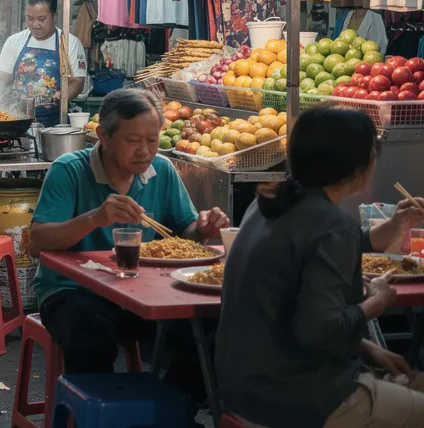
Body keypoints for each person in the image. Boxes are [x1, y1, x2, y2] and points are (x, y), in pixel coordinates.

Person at [217, 107, 424, 428]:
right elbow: (317, 330)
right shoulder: (331, 224)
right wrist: (376, 302)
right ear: (359, 168)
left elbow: (292, 314)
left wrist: (368, 347)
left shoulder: (268, 202)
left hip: (241, 391)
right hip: (301, 400)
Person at [28, 88, 228, 401]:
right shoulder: (68, 170)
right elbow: (37, 243)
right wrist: (95, 218)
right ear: (103, 136)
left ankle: (169, 414)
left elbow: (181, 237)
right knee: (90, 336)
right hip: (73, 292)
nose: (145, 151)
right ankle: (95, 419)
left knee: (216, 331)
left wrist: (202, 228)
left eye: (152, 139)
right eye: (133, 141)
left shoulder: (161, 170)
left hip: (144, 293)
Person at [0, 0, 88, 127]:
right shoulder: (15, 41)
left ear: (55, 16)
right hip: (17, 118)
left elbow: (77, 81)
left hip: (54, 120)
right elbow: (0, 77)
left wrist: (62, 96)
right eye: (30, 18)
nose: (35, 24)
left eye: (42, 19)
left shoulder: (69, 43)